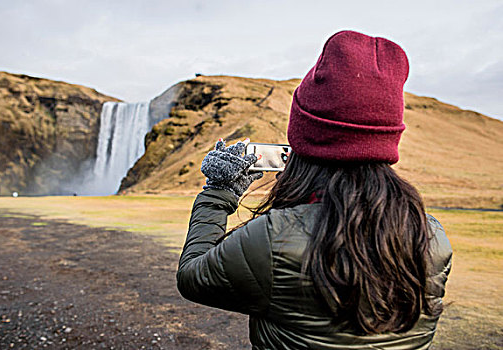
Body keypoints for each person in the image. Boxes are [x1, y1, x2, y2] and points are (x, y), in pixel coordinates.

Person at [177, 30, 452, 349]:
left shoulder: (272, 238)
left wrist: (219, 191)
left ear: (305, 143)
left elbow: (193, 276)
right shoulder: (432, 237)